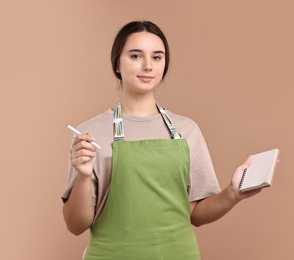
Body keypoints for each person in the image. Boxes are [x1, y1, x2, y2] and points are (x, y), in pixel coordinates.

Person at [62, 20, 261, 260]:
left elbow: (194, 214)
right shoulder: (90, 133)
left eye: (157, 57)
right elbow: (75, 226)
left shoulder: (187, 130)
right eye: (136, 56)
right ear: (117, 63)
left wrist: (232, 193)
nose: (148, 66)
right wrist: (83, 175)